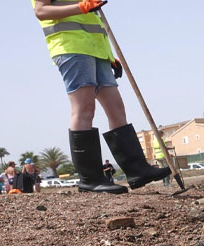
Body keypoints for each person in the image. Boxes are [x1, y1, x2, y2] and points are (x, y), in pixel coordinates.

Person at [31, 0, 170, 195]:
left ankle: (137, 170)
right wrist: (82, 7)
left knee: (116, 108)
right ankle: (90, 179)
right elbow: (41, 11)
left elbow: (91, 21)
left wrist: (109, 55)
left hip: (98, 51)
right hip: (72, 47)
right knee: (84, 109)